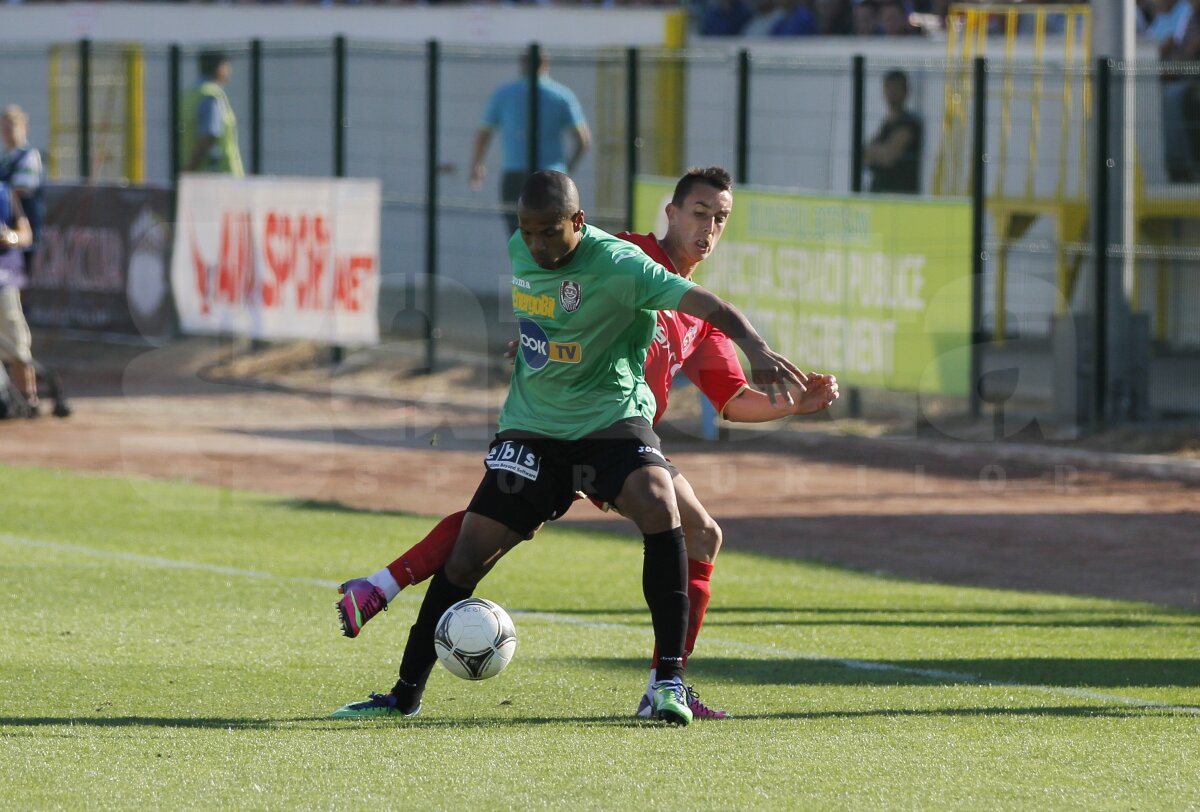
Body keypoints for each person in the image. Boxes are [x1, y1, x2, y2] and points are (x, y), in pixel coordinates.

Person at [332, 167, 839, 721]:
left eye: (719, 217)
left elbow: (734, 398)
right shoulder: (620, 251)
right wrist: (533, 341)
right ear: (670, 213)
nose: (708, 226)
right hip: (540, 424)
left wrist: (795, 403)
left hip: (613, 429)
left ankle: (666, 682)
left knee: (685, 520)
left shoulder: (660, 291)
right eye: (699, 212)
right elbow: (558, 304)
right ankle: (401, 680)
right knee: (475, 546)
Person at [469, 52, 591, 234]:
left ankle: (524, 263)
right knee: (553, 234)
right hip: (553, 177)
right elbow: (583, 140)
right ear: (546, 66)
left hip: (515, 175)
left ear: (522, 66)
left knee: (518, 233)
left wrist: (477, 165)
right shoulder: (561, 95)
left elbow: (484, 134)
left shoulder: (504, 94)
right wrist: (567, 168)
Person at [0, 180, 37, 413]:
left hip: (4, 277)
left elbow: (25, 234)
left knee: (15, 337)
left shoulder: (5, 193)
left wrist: (9, 238)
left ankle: (29, 399)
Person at [180, 50, 244, 176]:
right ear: (220, 68)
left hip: (198, 173)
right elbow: (209, 137)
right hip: (218, 176)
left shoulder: (190, 94)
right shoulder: (210, 96)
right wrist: (188, 173)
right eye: (227, 66)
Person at [0, 106, 44, 283]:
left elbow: (17, 191)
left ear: (24, 127)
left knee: (17, 286)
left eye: (12, 126)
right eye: (4, 127)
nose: (8, 131)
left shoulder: (29, 156)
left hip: (22, 231)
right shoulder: (5, 159)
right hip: (6, 235)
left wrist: (12, 235)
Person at [863, 69, 923, 194]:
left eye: (896, 87)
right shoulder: (886, 124)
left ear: (906, 90)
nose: (892, 92)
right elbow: (864, 153)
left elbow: (888, 157)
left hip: (899, 197)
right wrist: (877, 151)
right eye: (888, 87)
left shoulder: (910, 123)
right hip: (879, 195)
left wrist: (875, 152)